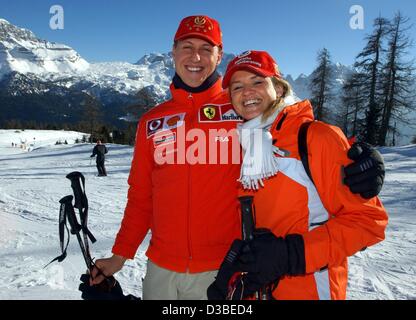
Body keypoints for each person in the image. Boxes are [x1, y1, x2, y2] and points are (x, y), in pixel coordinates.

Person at [82, 16, 385, 300]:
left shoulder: (242, 111)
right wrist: (119, 256)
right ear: (173, 52)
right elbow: (140, 198)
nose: (196, 57)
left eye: (205, 48)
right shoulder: (152, 121)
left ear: (219, 54)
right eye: (187, 47)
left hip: (224, 269)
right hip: (161, 268)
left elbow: (290, 125)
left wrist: (358, 158)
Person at [207, 50, 388, 300]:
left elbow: (369, 223)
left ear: (279, 89)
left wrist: (290, 255)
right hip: (258, 290)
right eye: (237, 87)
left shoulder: (316, 138)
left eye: (257, 82)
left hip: (310, 290)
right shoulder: (245, 143)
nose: (246, 92)